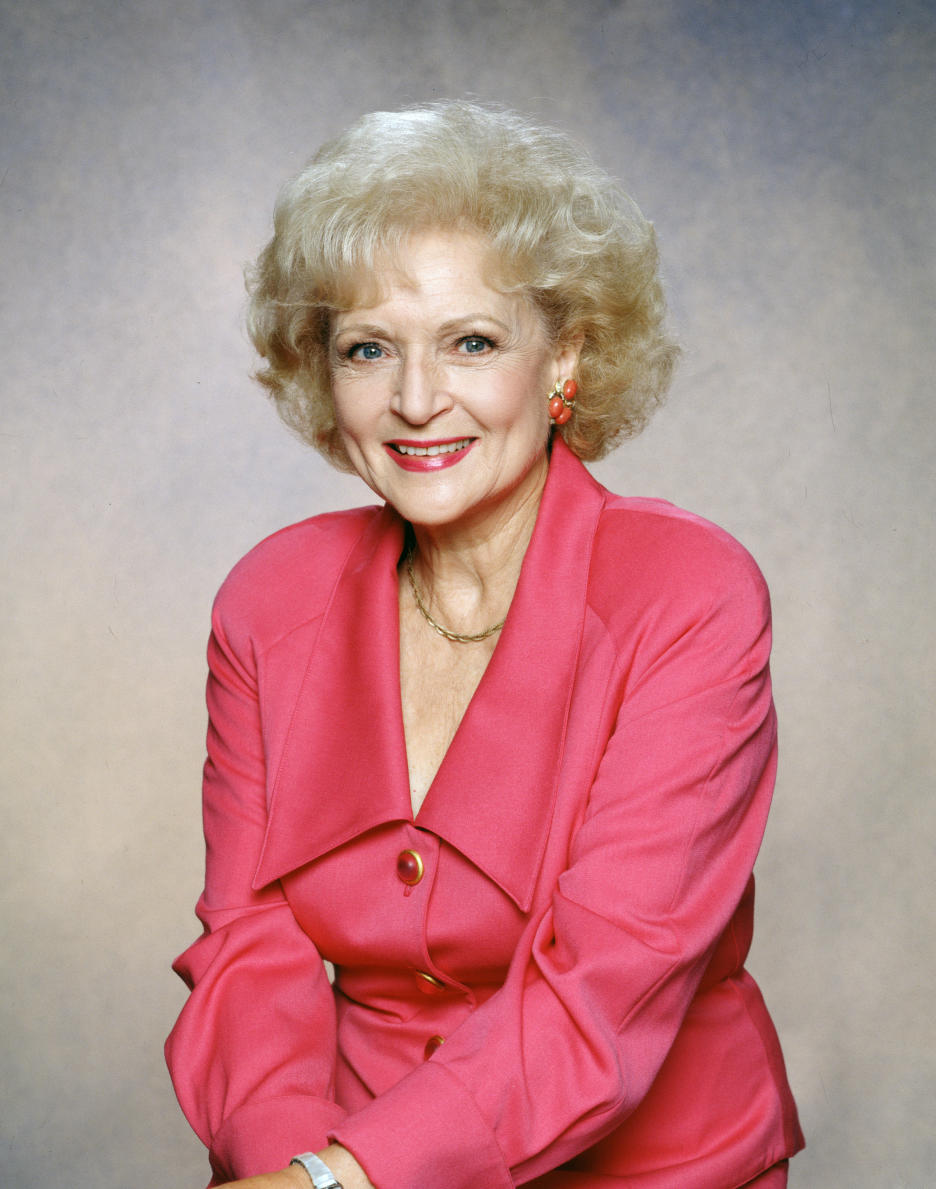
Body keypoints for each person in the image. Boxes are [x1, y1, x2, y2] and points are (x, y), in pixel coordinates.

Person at [165, 101, 804, 1189]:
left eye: (471, 341)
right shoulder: (270, 602)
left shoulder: (688, 597)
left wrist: (340, 1183)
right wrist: (288, 1170)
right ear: (324, 373)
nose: (417, 401)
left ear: (565, 356)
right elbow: (248, 952)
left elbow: (606, 987)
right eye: (370, 348)